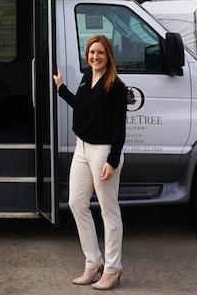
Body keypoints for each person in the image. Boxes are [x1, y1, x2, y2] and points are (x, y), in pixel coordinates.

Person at [53, 35, 128, 290]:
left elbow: (119, 127)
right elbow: (81, 108)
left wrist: (113, 160)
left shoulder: (116, 86)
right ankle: (93, 262)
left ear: (109, 56)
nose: (95, 57)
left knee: (109, 210)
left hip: (103, 151)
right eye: (92, 53)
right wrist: (62, 89)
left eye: (101, 53)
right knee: (76, 202)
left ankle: (113, 268)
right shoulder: (87, 77)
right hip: (82, 149)